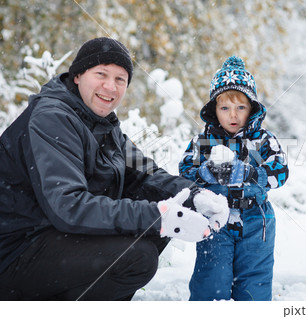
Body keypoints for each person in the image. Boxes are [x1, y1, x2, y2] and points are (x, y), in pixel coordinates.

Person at [0, 37, 229, 300]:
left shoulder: (103, 124)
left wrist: (195, 194)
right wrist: (157, 215)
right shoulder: (52, 118)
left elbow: (146, 173)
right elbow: (68, 206)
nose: (110, 86)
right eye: (101, 74)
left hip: (50, 238)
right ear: (77, 76)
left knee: (166, 206)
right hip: (14, 252)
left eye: (120, 79)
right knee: (138, 256)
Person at [179, 56, 289, 301]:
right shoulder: (203, 141)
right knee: (211, 281)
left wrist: (251, 173)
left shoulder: (263, 139)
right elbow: (184, 171)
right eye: (225, 108)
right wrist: (203, 174)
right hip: (216, 218)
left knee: (254, 285)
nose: (233, 115)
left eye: (241, 107)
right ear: (214, 109)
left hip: (256, 220)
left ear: (252, 108)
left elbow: (281, 171)